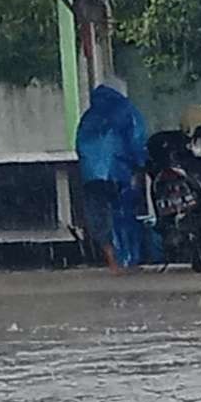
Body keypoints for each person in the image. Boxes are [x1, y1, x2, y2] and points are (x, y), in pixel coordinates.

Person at [75, 75, 156, 272]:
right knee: (123, 215)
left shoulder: (89, 115)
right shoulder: (127, 110)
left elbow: (80, 144)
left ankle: (111, 259)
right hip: (118, 172)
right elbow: (136, 140)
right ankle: (128, 260)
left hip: (91, 175)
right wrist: (140, 164)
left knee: (99, 217)